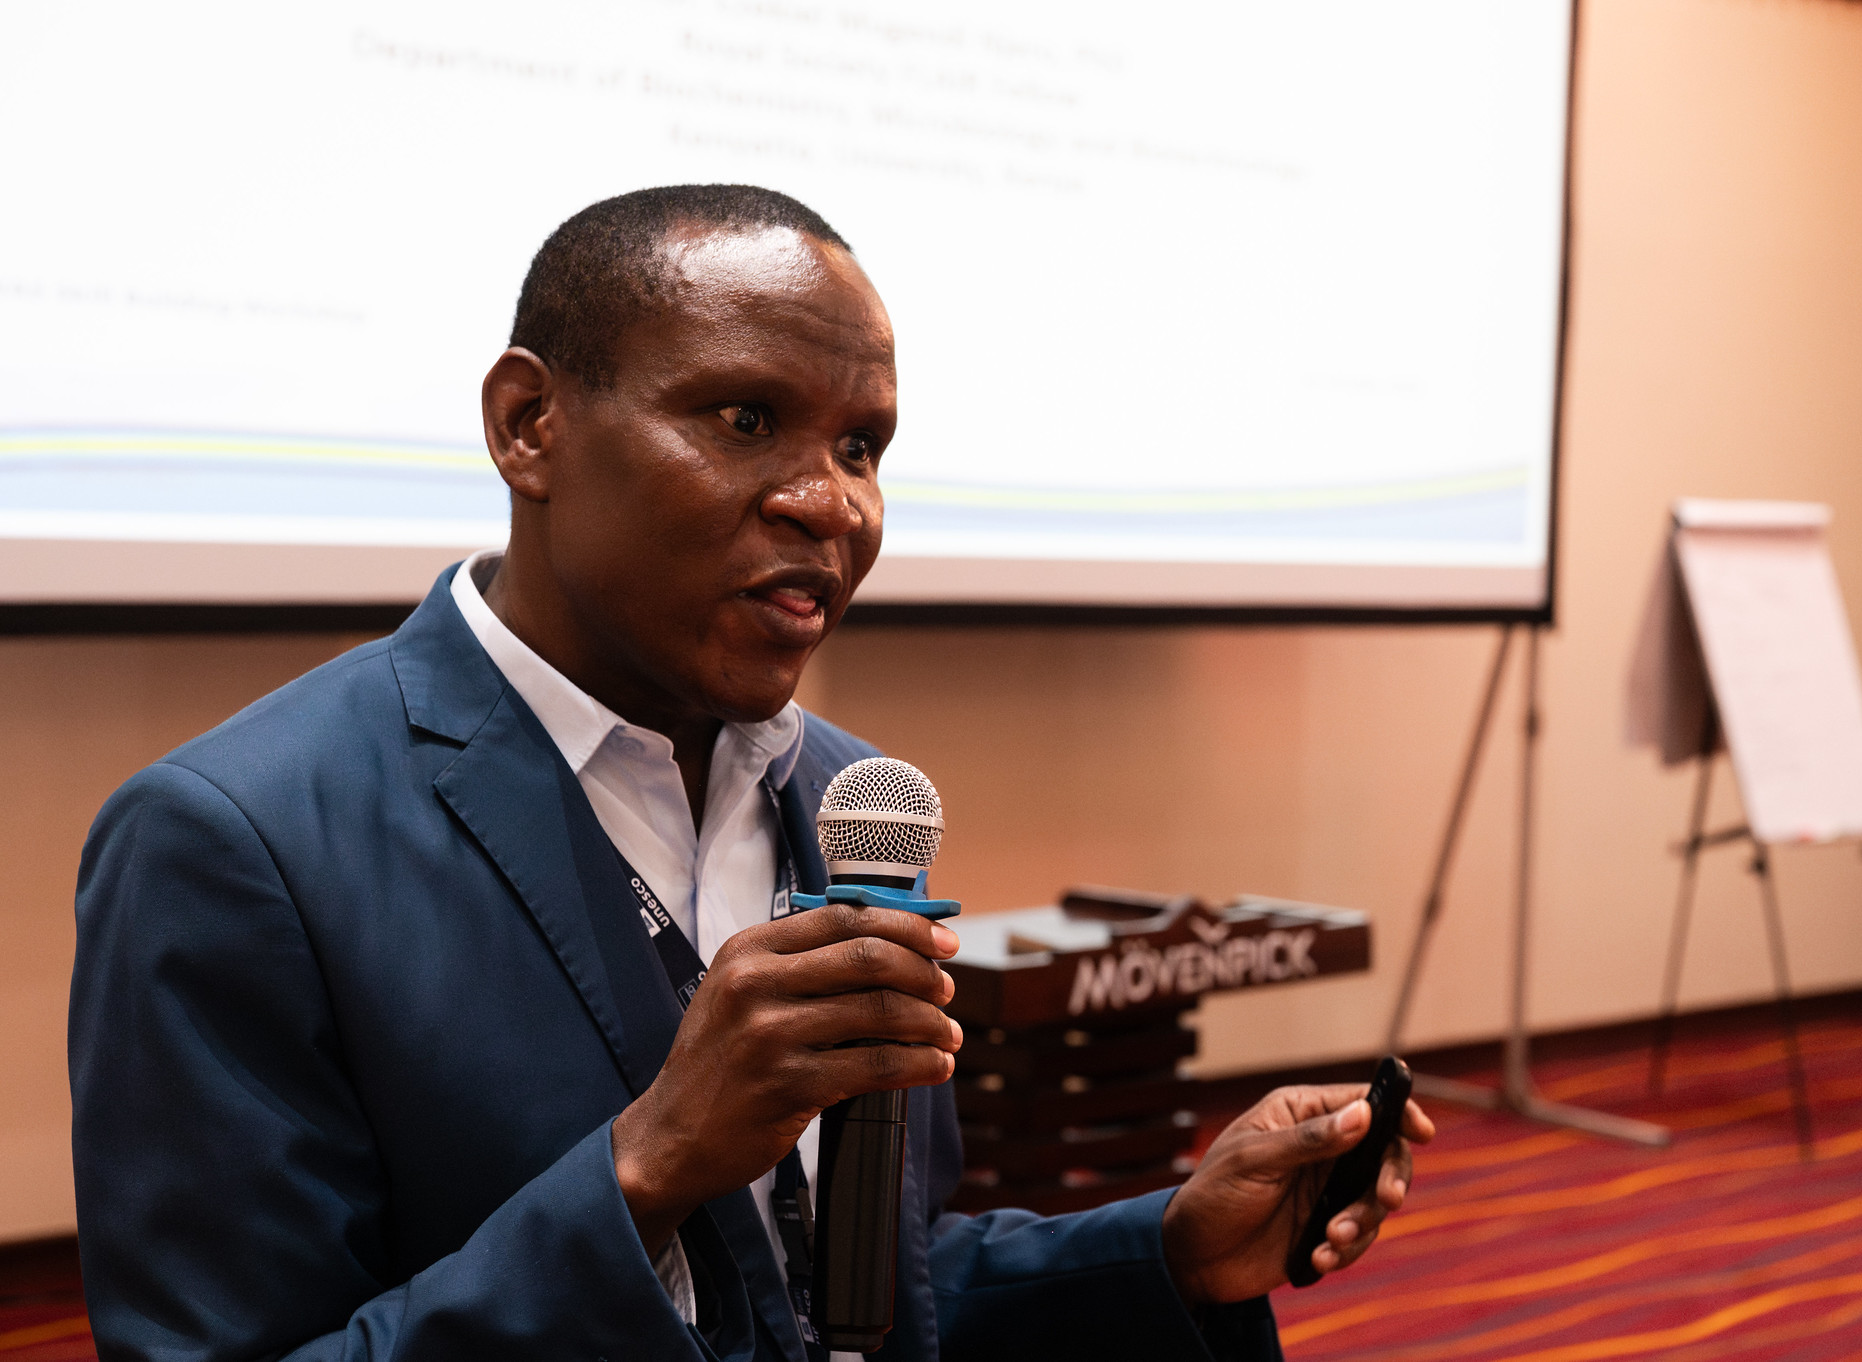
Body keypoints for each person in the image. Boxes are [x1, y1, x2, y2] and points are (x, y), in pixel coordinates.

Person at [69, 186, 1433, 1361]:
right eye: (743, 418)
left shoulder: (853, 803)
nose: (829, 502)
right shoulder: (230, 844)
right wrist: (643, 1170)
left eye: (861, 447)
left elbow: (847, 1302)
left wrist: (1171, 1247)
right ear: (528, 423)